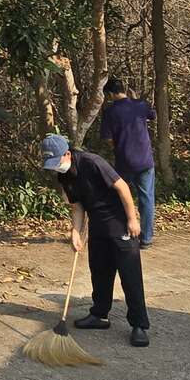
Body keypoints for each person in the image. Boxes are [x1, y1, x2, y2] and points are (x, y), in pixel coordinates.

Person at [40, 133, 149, 346]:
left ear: (67, 154)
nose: (55, 168)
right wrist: (76, 231)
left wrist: (132, 219)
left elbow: (122, 187)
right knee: (99, 272)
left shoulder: (92, 163)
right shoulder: (64, 176)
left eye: (56, 162)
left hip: (119, 223)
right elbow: (77, 206)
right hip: (97, 226)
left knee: (130, 276)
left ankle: (139, 325)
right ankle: (99, 315)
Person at [97, 79, 158, 248]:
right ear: (124, 90)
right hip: (145, 160)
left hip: (124, 161)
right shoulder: (140, 105)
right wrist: (137, 99)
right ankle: (146, 238)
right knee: (147, 199)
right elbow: (152, 115)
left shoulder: (110, 112)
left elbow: (108, 138)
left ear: (110, 94)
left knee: (120, 197)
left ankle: (124, 232)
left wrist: (118, 146)